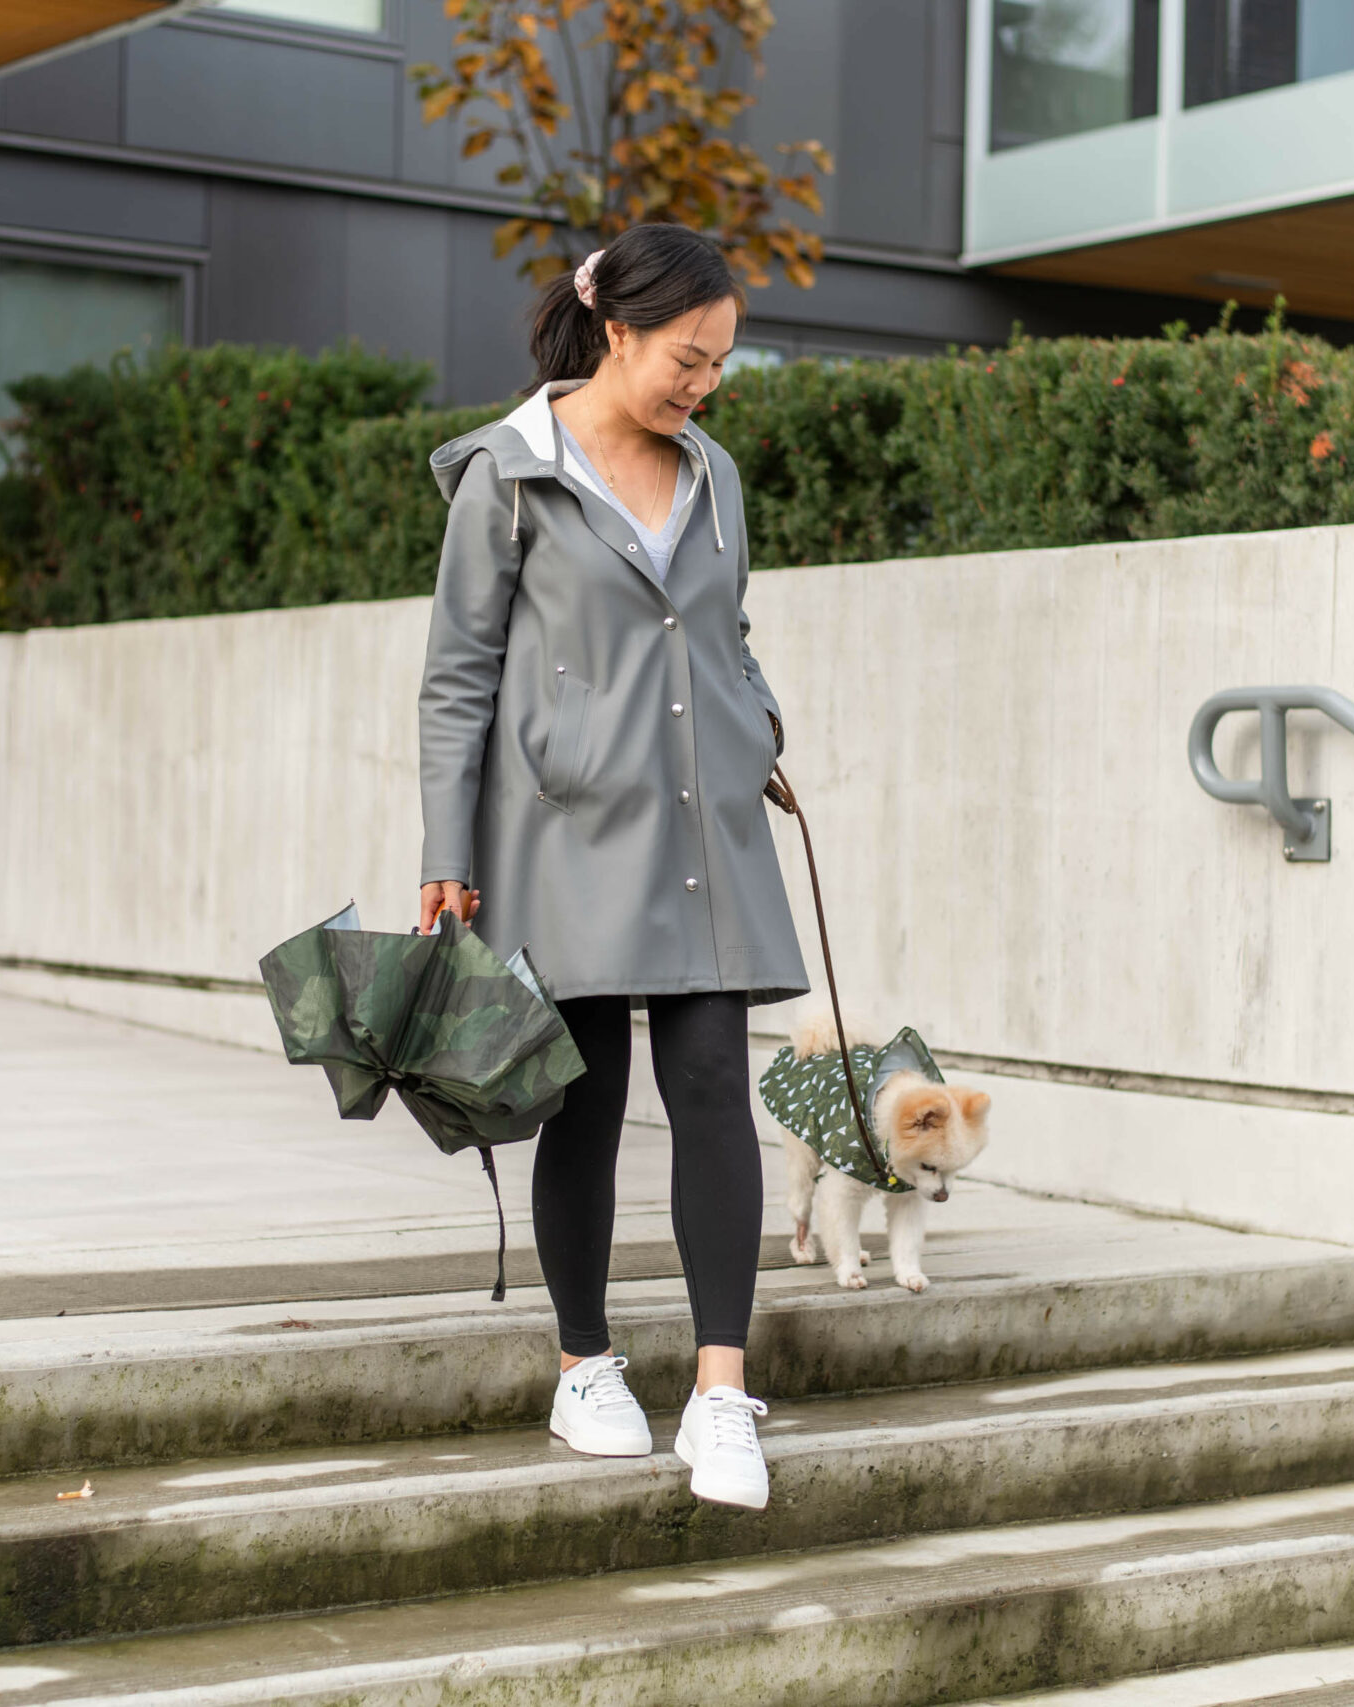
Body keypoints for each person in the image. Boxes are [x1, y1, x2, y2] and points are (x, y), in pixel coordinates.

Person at [415, 222, 808, 1511]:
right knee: (582, 1103)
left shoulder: (716, 476)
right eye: (686, 359)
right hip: (563, 833)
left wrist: (758, 725)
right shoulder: (509, 475)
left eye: (719, 368)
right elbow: (458, 678)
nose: (701, 386)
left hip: (706, 826)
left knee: (709, 1086)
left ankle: (717, 1392)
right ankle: (583, 1363)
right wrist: (446, 853)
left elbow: (726, 629)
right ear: (619, 331)